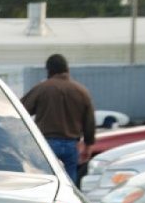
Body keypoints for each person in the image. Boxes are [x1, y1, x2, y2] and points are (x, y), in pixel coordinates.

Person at [21, 54, 96, 183]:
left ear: (49, 70)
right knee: (70, 183)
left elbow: (20, 110)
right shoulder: (81, 91)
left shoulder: (42, 88)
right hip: (71, 145)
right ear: (67, 69)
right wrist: (88, 145)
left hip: (46, 144)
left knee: (46, 181)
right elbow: (89, 121)